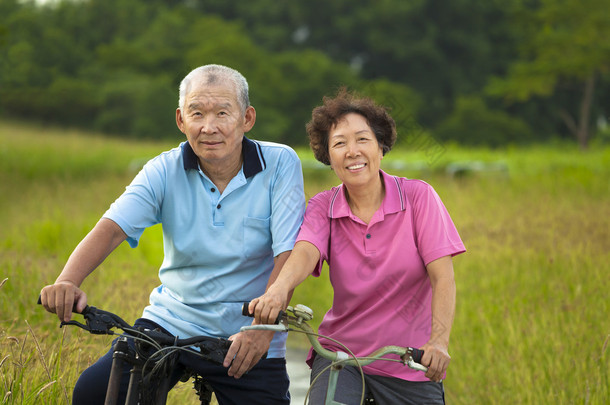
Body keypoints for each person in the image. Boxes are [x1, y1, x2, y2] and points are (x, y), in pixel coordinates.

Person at [40, 64, 305, 405]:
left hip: (248, 332)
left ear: (247, 118)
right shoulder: (163, 170)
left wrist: (262, 329)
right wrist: (67, 280)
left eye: (223, 113)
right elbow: (110, 230)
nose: (209, 127)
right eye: (197, 114)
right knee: (94, 392)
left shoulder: (280, 163)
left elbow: (289, 253)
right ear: (181, 121)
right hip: (171, 321)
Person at [249, 88, 465, 404]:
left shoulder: (419, 198)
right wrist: (278, 290)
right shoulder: (323, 206)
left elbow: (443, 277)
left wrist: (439, 342)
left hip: (407, 361)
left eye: (362, 139)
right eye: (339, 143)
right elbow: (306, 250)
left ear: (381, 146)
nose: (352, 151)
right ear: (328, 155)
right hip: (341, 357)